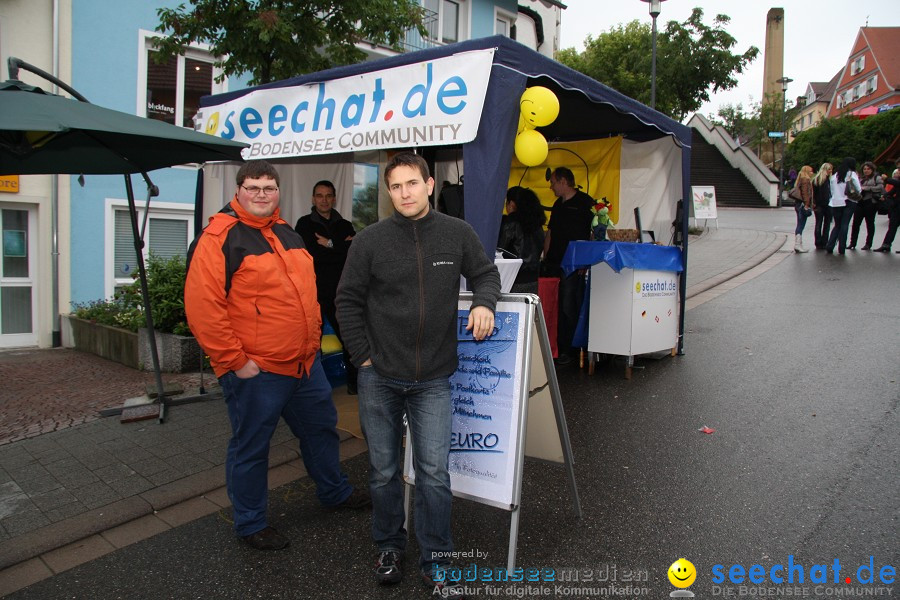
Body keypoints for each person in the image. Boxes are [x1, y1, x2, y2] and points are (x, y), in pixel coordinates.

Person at [336, 152, 500, 598]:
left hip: (433, 379)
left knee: (434, 474)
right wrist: (363, 356)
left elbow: (486, 274)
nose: (405, 193)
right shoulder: (369, 241)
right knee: (383, 472)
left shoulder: (457, 233)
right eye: (395, 186)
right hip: (379, 377)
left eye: (413, 183)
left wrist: (484, 302)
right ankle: (389, 546)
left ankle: (438, 559)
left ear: (430, 185)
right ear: (388, 191)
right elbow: (346, 301)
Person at [184, 160, 369, 552]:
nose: (262, 195)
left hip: (305, 364)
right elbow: (204, 309)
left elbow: (308, 293)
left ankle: (334, 493)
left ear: (278, 192)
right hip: (257, 369)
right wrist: (236, 362)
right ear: (239, 190)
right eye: (253, 188)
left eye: (269, 187)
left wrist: (314, 342)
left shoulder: (287, 232)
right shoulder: (219, 237)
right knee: (251, 446)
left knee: (321, 431)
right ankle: (251, 523)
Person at [295, 180, 358, 394]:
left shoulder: (345, 224)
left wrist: (330, 244)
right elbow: (311, 256)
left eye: (328, 195)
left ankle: (355, 384)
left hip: (341, 292)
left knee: (350, 338)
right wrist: (340, 246)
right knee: (313, 343)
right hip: (314, 293)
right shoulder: (304, 224)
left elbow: (354, 252)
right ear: (313, 199)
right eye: (320, 195)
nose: (324, 200)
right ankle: (311, 389)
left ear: (334, 198)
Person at [542, 167, 594, 364]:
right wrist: (545, 256)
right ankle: (558, 347)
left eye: (553, 182)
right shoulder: (557, 204)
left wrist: (585, 261)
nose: (551, 186)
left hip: (573, 264)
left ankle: (571, 349)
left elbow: (592, 233)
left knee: (568, 305)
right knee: (555, 307)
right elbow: (551, 232)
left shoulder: (585, 202)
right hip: (554, 262)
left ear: (564, 181)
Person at [497, 186, 547, 294]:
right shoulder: (537, 224)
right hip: (533, 278)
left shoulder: (511, 222)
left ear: (512, 204)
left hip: (512, 277)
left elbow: (500, 249)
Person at [826, 157, 861, 255]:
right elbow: (858, 188)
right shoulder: (851, 174)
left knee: (837, 225)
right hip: (849, 201)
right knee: (845, 224)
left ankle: (830, 245)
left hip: (836, 202)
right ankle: (842, 247)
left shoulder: (835, 175)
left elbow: (832, 191)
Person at [848, 161, 884, 250]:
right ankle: (852, 243)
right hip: (860, 202)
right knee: (855, 223)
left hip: (870, 202)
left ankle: (868, 244)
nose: (866, 171)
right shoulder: (861, 178)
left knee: (870, 223)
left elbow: (880, 187)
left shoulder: (877, 177)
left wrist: (867, 188)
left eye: (868, 169)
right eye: (864, 169)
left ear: (872, 169)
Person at [873, 168, 900, 253]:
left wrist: (886, 179)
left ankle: (886, 244)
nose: (898, 171)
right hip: (897, 207)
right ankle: (886, 245)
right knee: (892, 225)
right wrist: (884, 195)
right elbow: (894, 189)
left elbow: (897, 183)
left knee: (893, 225)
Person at [791, 165, 814, 253]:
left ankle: (799, 244)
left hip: (798, 204)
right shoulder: (805, 180)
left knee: (799, 224)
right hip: (802, 205)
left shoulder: (800, 179)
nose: (812, 173)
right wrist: (807, 204)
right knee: (801, 224)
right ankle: (798, 244)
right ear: (807, 172)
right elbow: (805, 193)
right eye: (811, 171)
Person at [812, 163, 833, 250]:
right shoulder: (828, 180)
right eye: (829, 169)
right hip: (827, 204)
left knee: (818, 223)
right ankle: (824, 242)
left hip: (818, 204)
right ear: (825, 169)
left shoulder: (816, 180)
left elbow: (814, 193)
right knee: (826, 224)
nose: (831, 171)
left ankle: (818, 242)